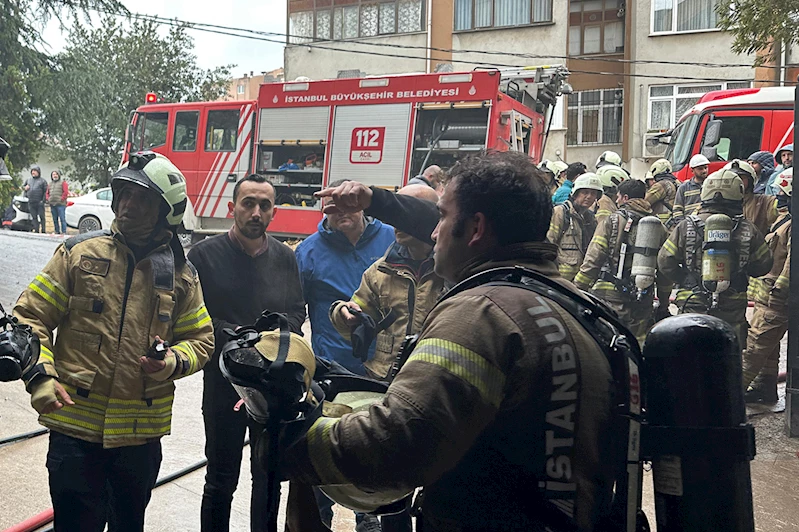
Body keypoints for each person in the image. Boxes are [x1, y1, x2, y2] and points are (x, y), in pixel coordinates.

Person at [283, 151, 623, 531]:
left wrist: (296, 441)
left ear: (476, 228)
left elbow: (396, 443)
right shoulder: (582, 311)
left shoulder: (480, 314)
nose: (433, 232)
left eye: (442, 217)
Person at [13, 151, 214, 532]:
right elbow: (29, 317)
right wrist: (39, 376)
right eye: (124, 195)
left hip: (139, 441)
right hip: (75, 434)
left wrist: (171, 361)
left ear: (167, 211)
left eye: (142, 199)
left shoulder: (182, 276)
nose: (127, 206)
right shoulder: (78, 254)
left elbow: (201, 339)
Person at [187, 173, 306, 532]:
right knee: (220, 478)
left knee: (267, 478)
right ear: (232, 208)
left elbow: (296, 312)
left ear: (274, 212)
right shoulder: (203, 256)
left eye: (264, 205)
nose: (256, 212)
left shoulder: (285, 258)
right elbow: (194, 318)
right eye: (248, 203)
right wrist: (239, 338)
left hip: (272, 386)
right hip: (224, 384)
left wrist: (272, 338)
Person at [329, 184, 443, 532]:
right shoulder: (380, 271)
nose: (397, 220)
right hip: (385, 387)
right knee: (389, 482)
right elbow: (356, 309)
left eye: (405, 210)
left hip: (436, 391)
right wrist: (345, 314)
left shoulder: (452, 270)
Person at [295, 178, 394, 532]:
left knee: (376, 447)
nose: (340, 215)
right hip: (331, 372)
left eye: (347, 207)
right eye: (332, 210)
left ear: (362, 205)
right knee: (325, 446)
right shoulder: (307, 252)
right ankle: (320, 517)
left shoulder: (390, 238)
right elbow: (295, 309)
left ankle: (369, 516)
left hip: (383, 370)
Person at [657, 168, 772, 349]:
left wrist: (686, 279)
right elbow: (764, 264)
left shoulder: (685, 226)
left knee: (690, 352)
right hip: (732, 306)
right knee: (729, 353)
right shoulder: (748, 228)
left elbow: (665, 260)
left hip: (692, 302)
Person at [575, 179, 671, 345]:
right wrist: (663, 303)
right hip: (643, 297)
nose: (617, 200)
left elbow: (593, 258)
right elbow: (664, 269)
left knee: (608, 340)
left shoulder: (611, 221)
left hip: (610, 297)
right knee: (637, 341)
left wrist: (577, 289)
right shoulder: (659, 227)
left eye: (618, 197)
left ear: (625, 198)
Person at [743, 168, 792, 404]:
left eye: (782, 192)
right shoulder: (786, 221)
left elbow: (792, 262)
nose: (778, 197)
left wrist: (779, 292)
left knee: (753, 349)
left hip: (776, 300)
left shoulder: (792, 226)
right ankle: (765, 388)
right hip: (767, 297)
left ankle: (728, 397)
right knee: (769, 350)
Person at [547, 172, 603, 282]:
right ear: (575, 193)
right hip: (558, 281)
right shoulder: (560, 213)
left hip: (580, 282)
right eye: (585, 192)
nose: (589, 196)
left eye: (593, 193)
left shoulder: (591, 220)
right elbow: (549, 244)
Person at [672, 154, 709, 225]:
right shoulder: (683, 188)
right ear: (692, 170)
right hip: (690, 226)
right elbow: (677, 210)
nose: (704, 171)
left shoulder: (712, 185)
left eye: (706, 167)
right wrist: (683, 225)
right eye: (700, 169)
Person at [644, 158, 678, 228]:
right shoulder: (676, 182)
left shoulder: (661, 185)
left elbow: (645, 202)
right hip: (676, 222)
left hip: (663, 225)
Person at [24, 165, 48, 233]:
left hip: (39, 201)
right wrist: (25, 191)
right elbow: (24, 189)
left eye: (35, 171)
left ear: (38, 172)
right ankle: (36, 229)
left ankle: (43, 230)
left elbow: (46, 191)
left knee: (42, 216)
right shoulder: (28, 180)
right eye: (32, 171)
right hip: (31, 201)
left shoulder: (43, 181)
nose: (33, 172)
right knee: (34, 217)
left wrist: (43, 201)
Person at [47, 170, 69, 235]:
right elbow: (47, 193)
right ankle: (57, 231)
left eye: (56, 174)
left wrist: (61, 199)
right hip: (52, 204)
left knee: (62, 218)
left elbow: (65, 192)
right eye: (53, 174)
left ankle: (64, 231)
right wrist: (48, 199)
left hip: (61, 204)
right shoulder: (50, 184)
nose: (55, 176)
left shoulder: (63, 183)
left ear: (58, 175)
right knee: (55, 219)